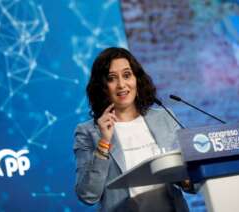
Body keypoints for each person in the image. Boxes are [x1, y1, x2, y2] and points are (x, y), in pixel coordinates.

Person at [73, 47, 190, 212]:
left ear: (137, 79)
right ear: (102, 86)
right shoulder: (88, 132)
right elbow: (87, 195)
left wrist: (187, 180)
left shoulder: (164, 118)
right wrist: (104, 143)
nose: (121, 84)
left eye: (127, 75)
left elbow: (188, 178)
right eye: (112, 78)